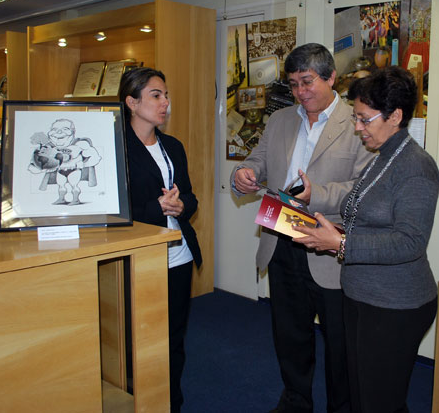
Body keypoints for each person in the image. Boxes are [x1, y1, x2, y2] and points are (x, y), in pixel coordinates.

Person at [231, 43, 374, 413]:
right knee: (289, 334)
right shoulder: (280, 120)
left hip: (329, 249)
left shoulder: (356, 123)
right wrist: (243, 174)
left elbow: (364, 187)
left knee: (340, 342)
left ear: (331, 78)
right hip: (281, 242)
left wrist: (317, 195)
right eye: (294, 84)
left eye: (308, 82)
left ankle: (341, 406)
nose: (300, 92)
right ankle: (295, 399)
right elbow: (256, 161)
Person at [292, 66, 439, 413]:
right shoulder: (383, 158)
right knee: (363, 395)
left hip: (395, 304)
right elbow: (356, 204)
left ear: (396, 116)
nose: (357, 128)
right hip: (363, 296)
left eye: (364, 119)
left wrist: (341, 244)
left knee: (379, 401)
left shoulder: (416, 166)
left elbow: (409, 242)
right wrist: (314, 201)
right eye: (356, 118)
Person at [119, 67, 202, 413]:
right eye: (156, 95)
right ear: (131, 102)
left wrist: (182, 205)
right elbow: (115, 211)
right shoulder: (115, 147)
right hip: (139, 258)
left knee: (173, 339)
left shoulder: (173, 146)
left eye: (166, 95)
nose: (165, 102)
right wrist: (155, 208)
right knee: (137, 340)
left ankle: (172, 402)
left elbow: (191, 198)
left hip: (178, 256)